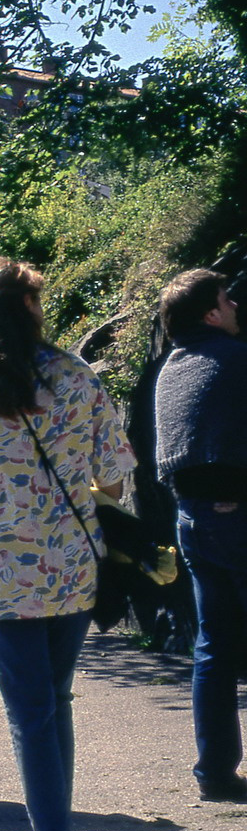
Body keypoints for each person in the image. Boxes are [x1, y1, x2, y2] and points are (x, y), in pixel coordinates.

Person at [0, 258, 135, 831]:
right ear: (32, 305)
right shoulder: (78, 376)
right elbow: (113, 474)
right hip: (73, 561)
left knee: (31, 711)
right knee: (55, 701)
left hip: (6, 568)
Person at [154, 268, 247, 802]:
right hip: (237, 514)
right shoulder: (236, 361)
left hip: (191, 517)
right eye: (226, 299)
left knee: (214, 644)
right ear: (211, 314)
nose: (234, 304)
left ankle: (214, 770)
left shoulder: (173, 368)